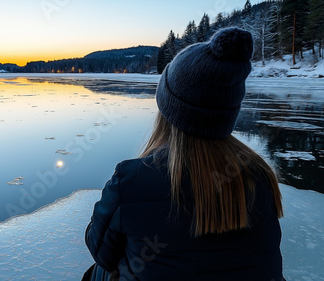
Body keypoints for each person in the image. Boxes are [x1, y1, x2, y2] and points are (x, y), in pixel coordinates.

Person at [83, 27, 284, 281]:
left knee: (100, 271)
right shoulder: (260, 175)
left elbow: (100, 252)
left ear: (168, 110)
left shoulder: (132, 180)